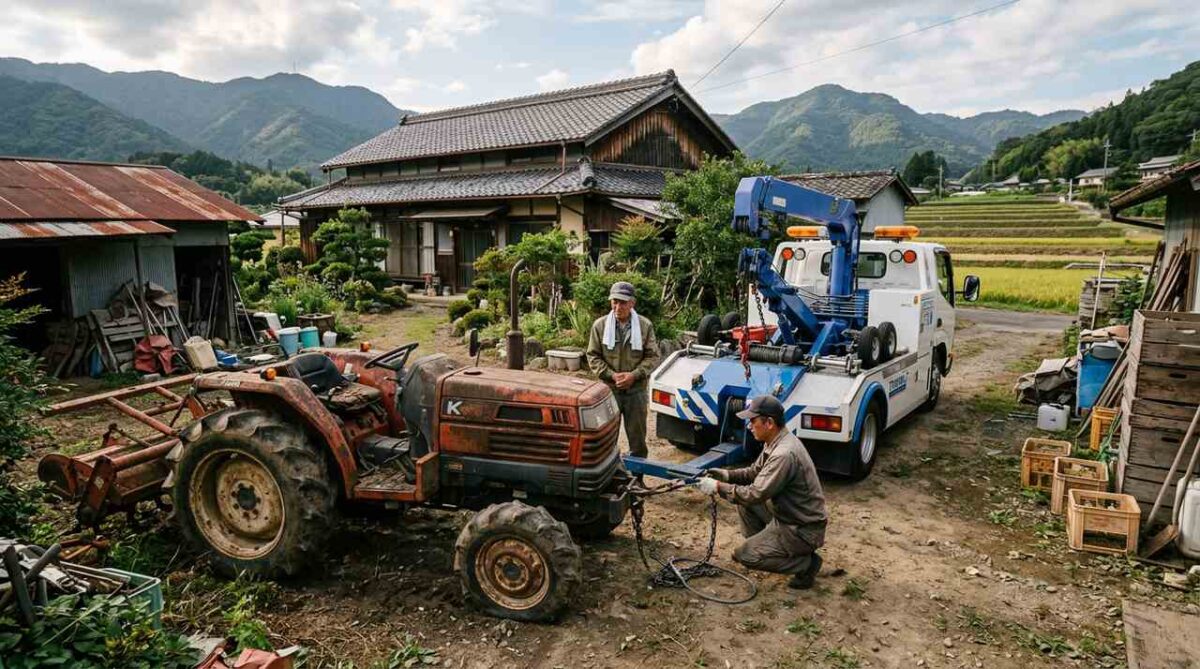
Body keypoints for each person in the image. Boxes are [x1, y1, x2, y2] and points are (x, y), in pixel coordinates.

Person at [695, 395, 827, 589]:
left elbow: (755, 494)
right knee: (744, 505)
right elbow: (754, 472)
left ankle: (806, 564)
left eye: (753, 421)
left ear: (769, 423)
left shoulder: (783, 454)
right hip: (789, 516)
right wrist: (727, 475)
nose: (749, 426)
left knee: (746, 555)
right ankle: (767, 546)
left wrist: (717, 487)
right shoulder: (776, 441)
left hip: (802, 529)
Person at [586, 281, 659, 458]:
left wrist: (634, 375)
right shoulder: (600, 326)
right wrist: (612, 375)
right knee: (605, 437)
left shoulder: (644, 326)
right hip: (609, 391)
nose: (618, 307)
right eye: (614, 302)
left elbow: (653, 356)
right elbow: (593, 356)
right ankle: (608, 471)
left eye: (623, 302)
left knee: (638, 439)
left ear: (632, 303)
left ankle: (637, 472)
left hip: (636, 392)